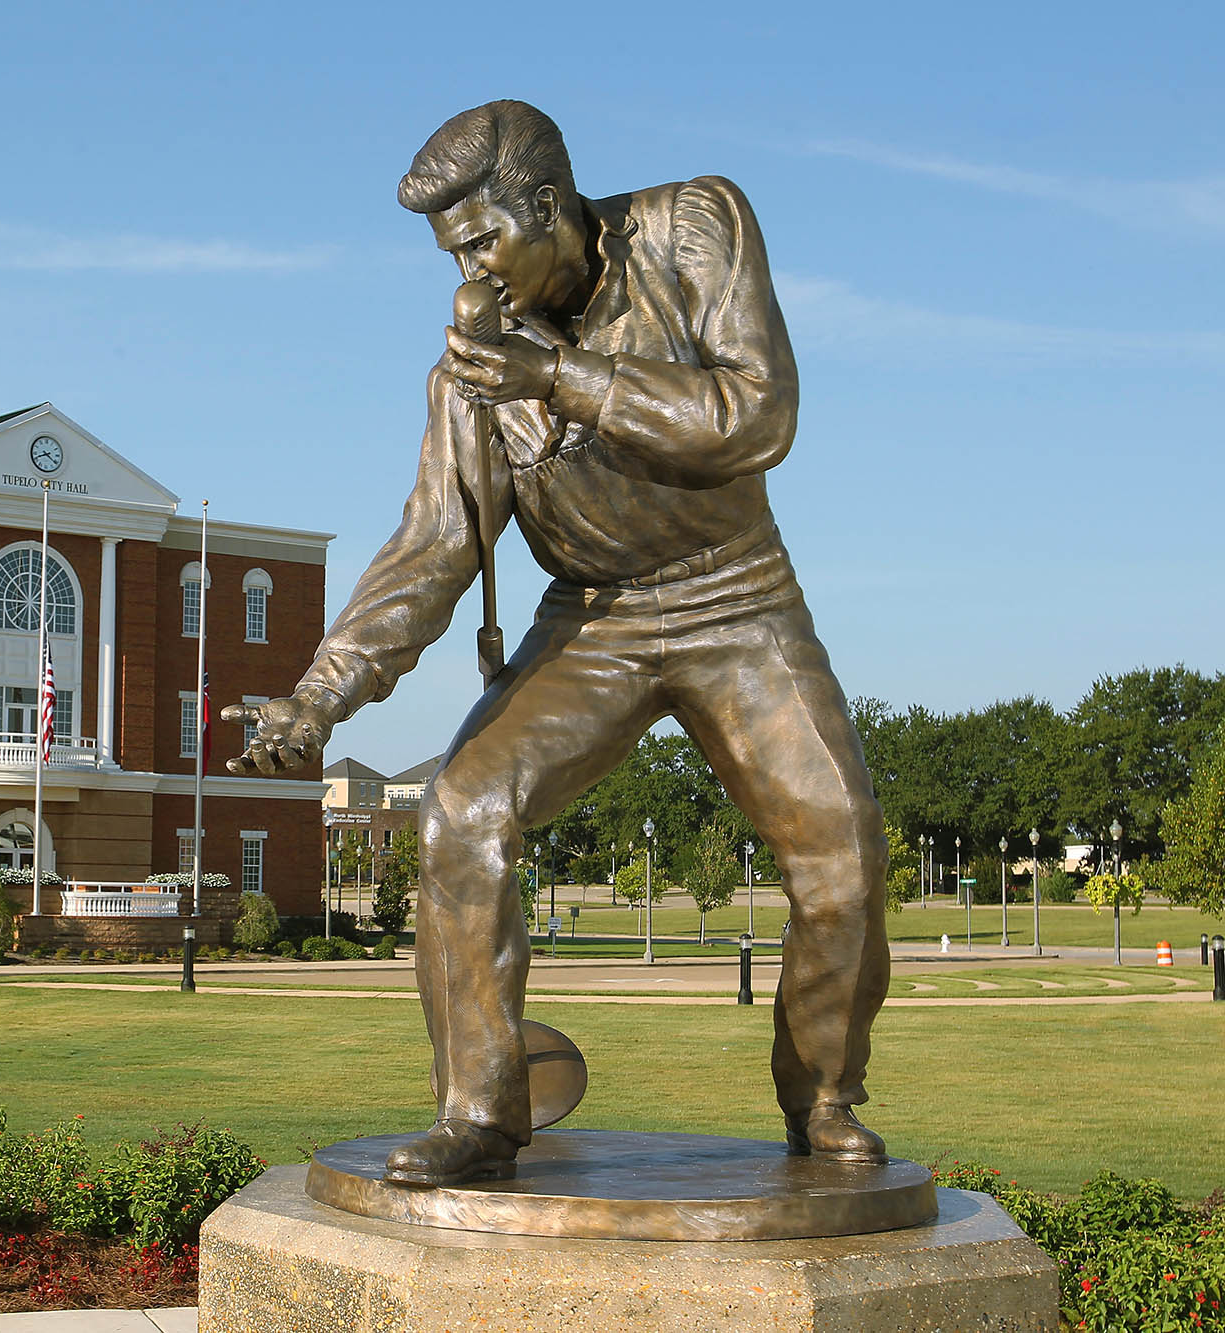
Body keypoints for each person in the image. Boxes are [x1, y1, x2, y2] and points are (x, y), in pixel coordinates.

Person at [223, 100, 890, 1189]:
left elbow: (754, 415)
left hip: (738, 599)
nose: (469, 275)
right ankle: (480, 1113)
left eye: (481, 241)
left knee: (842, 854)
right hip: (592, 617)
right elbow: (435, 546)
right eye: (451, 255)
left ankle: (821, 1097)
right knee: (459, 811)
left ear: (545, 207)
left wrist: (561, 378)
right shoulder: (469, 375)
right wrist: (320, 693)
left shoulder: (691, 227)